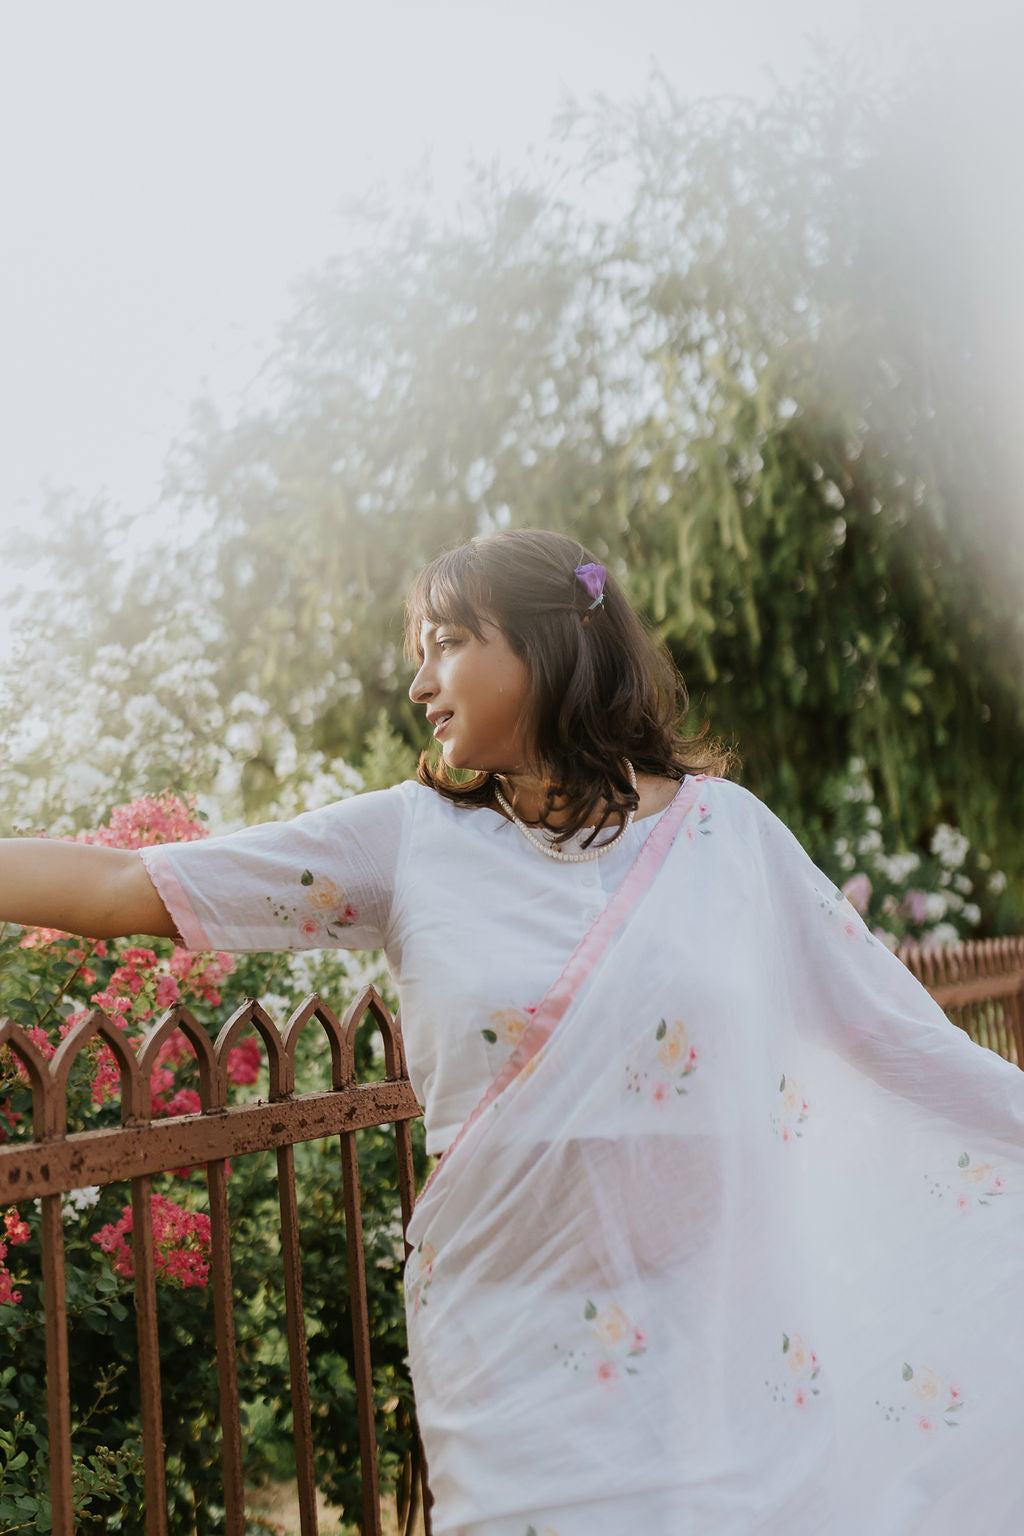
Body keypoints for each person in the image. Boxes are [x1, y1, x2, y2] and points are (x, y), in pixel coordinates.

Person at [3, 526, 1024, 1536]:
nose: (419, 684)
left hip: (723, 1353)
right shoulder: (408, 842)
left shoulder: (730, 837)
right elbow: (125, 883)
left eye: (446, 643)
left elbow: (901, 1041)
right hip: (509, 1358)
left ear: (546, 641)